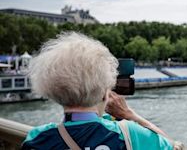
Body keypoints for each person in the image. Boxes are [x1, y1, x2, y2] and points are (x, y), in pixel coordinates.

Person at [22, 32, 177, 150]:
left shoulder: (37, 137)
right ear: (105, 92)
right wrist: (129, 114)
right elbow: (173, 146)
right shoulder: (128, 133)